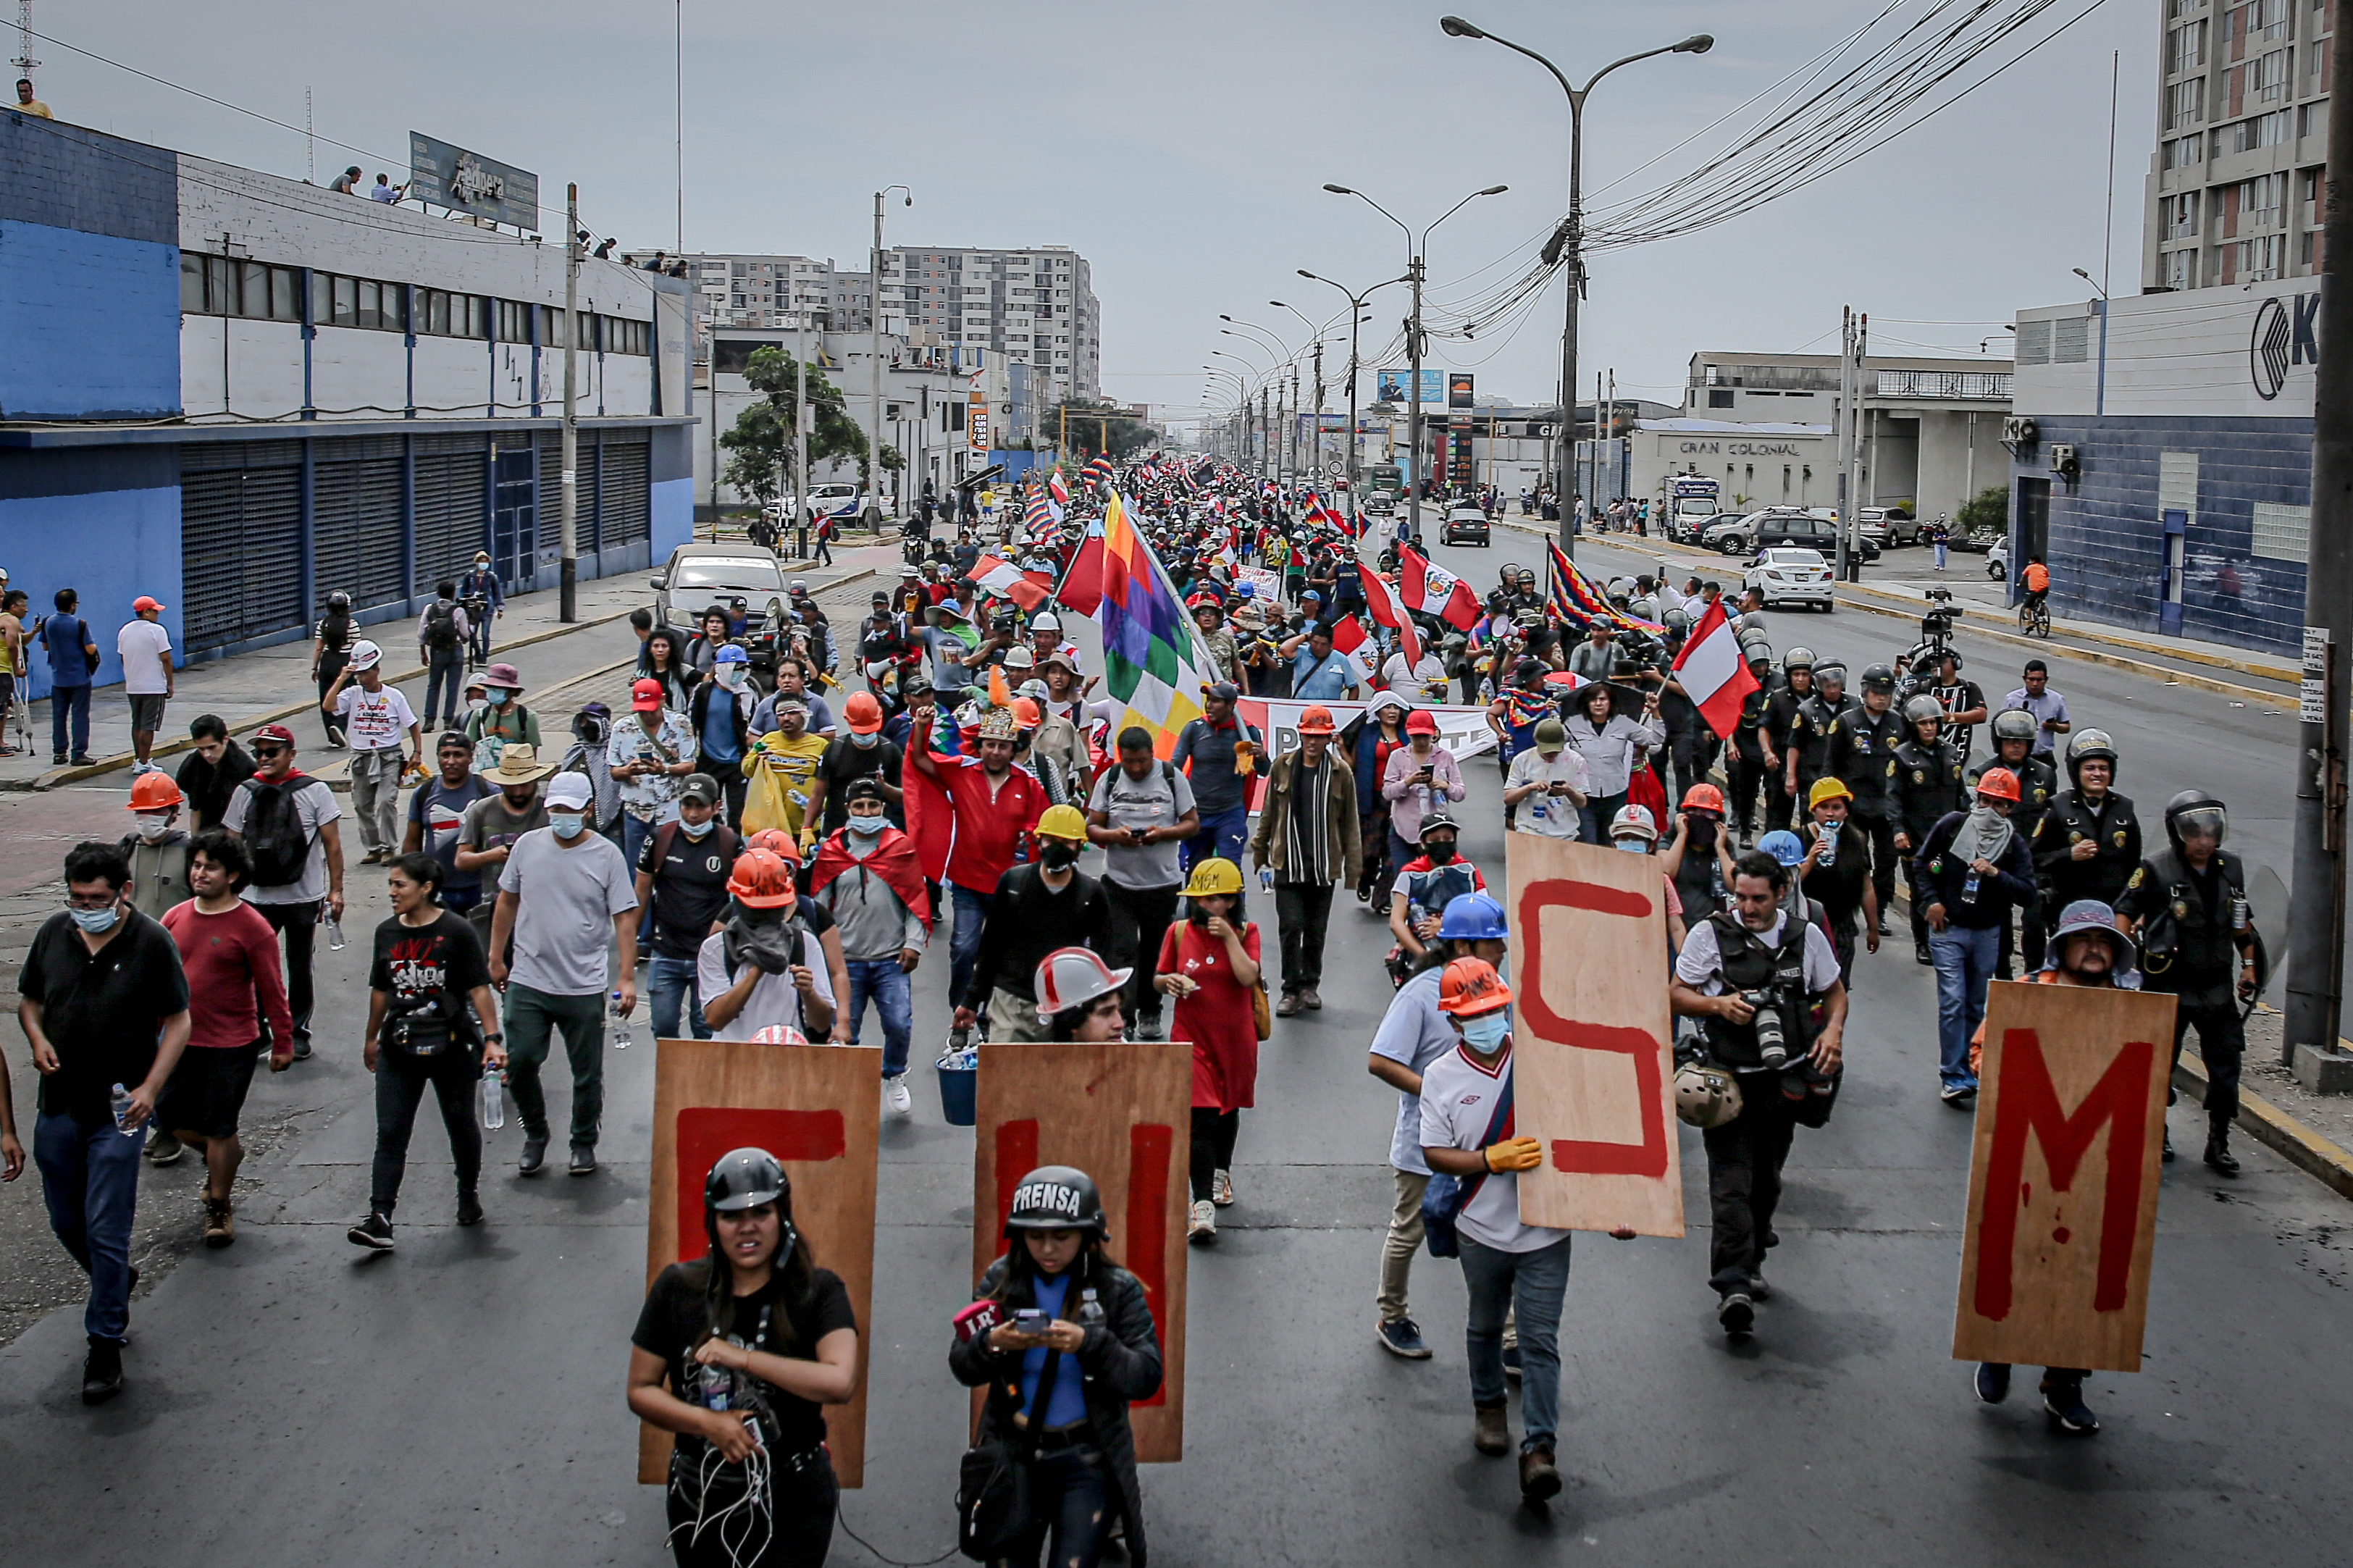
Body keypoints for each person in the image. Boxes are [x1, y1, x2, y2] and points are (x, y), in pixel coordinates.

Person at [17, 840, 193, 1404]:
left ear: (122, 892)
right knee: (66, 1219)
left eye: (96, 897)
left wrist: (151, 1086)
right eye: (76, 896)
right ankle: (113, 1279)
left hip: (119, 1111)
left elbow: (179, 1019)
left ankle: (105, 1340)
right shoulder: (53, 934)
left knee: (107, 1226)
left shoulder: (150, 941)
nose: (85, 905)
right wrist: (39, 1038)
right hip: (59, 1105)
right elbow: (29, 1002)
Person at [629, 1148, 859, 1568]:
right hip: (700, 1490)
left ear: (783, 1217)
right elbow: (640, 1390)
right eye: (731, 1216)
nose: (747, 1228)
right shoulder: (676, 1288)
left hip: (794, 1491)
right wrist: (706, 1423)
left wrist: (743, 1359)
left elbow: (840, 1382)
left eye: (762, 1213)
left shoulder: (819, 1291)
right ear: (714, 1224)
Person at [1967, 899, 2136, 1435]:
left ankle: (2064, 1383)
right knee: (2017, 1255)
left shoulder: (2130, 1006)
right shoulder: (2026, 995)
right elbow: (1980, 1053)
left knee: (2081, 1268)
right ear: (2061, 946)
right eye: (2083, 939)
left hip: (2094, 1161)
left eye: (2103, 941)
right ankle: (1997, 1347)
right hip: (2028, 1152)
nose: (2093, 949)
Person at [1670, 851, 1848, 1340]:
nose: (1746, 907)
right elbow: (1675, 992)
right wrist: (1717, 1004)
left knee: (1765, 1181)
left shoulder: (1804, 935)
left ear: (1779, 893)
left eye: (1757, 899)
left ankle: (1751, 1260)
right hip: (1725, 1081)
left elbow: (1834, 993)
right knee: (1729, 1183)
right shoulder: (1710, 934)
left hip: (1783, 1079)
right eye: (1739, 897)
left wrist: (1830, 1032)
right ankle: (1732, 1286)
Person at [949, 1165, 1163, 1568]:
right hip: (1015, 1454)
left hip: (1086, 1459)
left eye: (1061, 1237)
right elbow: (962, 1366)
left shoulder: (1117, 1288)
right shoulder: (1001, 1279)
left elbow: (1147, 1375)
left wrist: (1091, 1344)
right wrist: (993, 1344)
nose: (1048, 1250)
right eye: (1035, 1237)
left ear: (1087, 1236)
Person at [1417, 957, 1568, 1502]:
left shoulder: (1543, 1057)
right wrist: (1487, 1159)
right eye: (1474, 1015)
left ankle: (1540, 1447)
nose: (1487, 1022)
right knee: (1483, 1326)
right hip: (1479, 1230)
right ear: (1455, 1023)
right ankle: (1487, 1408)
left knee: (1538, 1342)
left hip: (1546, 1233)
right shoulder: (1440, 1077)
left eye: (1494, 1011)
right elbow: (1434, 1152)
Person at [1367, 894, 1510, 1361]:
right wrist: (1436, 1093)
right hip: (1425, 1143)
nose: (1502, 950)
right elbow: (1381, 1061)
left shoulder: (1496, 986)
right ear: (1463, 945)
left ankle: (1510, 1337)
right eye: (1493, 944)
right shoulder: (1421, 993)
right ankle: (1392, 1315)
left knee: (1500, 1230)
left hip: (1489, 1141)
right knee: (1410, 1228)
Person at [345, 852, 504, 1250]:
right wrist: (371, 1037)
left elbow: (478, 988)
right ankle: (381, 1216)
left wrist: (492, 1038)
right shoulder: (386, 933)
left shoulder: (457, 931)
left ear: (426, 888)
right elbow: (381, 990)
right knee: (391, 1130)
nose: (392, 892)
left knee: (460, 1124)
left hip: (451, 1046)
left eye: (400, 885)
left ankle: (467, 1194)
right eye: (391, 885)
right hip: (399, 1047)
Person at [487, 771, 639, 1178]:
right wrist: (496, 957)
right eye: (556, 809)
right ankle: (535, 1132)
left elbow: (624, 918)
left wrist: (625, 977)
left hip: (583, 983)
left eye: (571, 811)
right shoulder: (527, 847)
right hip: (529, 978)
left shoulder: (607, 856)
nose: (562, 817)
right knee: (519, 1062)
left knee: (586, 1072)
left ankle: (583, 1141)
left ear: (588, 812)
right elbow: (507, 902)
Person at [146, 829, 289, 1246]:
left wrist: (282, 1041)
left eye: (210, 867)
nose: (199, 873)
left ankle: (219, 1205)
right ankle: (223, 1154)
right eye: (196, 865)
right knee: (166, 1117)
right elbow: (157, 981)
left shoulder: (252, 927)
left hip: (232, 1044)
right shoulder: (175, 917)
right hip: (178, 1042)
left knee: (222, 1126)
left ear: (232, 876)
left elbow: (272, 989)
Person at [2114, 791, 2262, 1175]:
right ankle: (2157, 1131)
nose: (2203, 843)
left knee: (2227, 1065)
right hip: (2168, 985)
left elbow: (2240, 920)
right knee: (2160, 1065)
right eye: (2195, 835)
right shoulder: (2155, 869)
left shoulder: (2232, 868)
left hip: (2216, 986)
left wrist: (2249, 965)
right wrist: (2124, 955)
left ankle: (2219, 1141)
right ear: (2179, 834)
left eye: (2210, 835)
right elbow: (2124, 912)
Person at [908, 705, 1049, 1036]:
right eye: (990, 744)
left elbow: (1043, 826)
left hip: (1010, 887)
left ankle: (990, 1017)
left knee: (1003, 954)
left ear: (1013, 749)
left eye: (1003, 746)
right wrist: (921, 728)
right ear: (980, 745)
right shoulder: (960, 771)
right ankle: (962, 1011)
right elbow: (921, 760)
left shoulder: (1028, 784)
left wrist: (1031, 837)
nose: (996, 752)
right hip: (968, 883)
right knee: (963, 949)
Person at [1913, 768, 2039, 1104]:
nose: (1989, 809)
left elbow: (2028, 893)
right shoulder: (1952, 826)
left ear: (2010, 809)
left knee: (1974, 1004)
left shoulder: (2013, 844)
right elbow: (1922, 864)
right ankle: (1952, 1074)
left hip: (1987, 934)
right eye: (1984, 801)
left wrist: (1997, 874)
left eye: (1999, 804)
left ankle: (1969, 1067)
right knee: (1952, 1000)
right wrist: (1931, 902)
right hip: (1949, 930)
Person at [1154, 859, 1262, 1246]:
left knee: (1227, 1108)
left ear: (1233, 901)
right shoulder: (1178, 932)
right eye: (1202, 898)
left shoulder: (1248, 932)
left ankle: (1221, 1170)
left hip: (1234, 1039)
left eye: (1217, 898)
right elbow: (1157, 976)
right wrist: (1171, 982)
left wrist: (1230, 939)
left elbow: (1248, 976)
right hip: (1191, 1038)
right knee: (1199, 1116)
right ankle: (1201, 1204)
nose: (1209, 906)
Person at [222, 724, 345, 1060]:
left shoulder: (315, 790)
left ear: (291, 755)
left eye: (272, 751)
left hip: (303, 897)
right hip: (256, 897)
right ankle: (258, 1030)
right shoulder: (245, 791)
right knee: (254, 966)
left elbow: (333, 845)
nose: (264, 758)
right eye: (259, 752)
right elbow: (231, 843)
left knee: (300, 965)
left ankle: (297, 1031)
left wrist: (336, 891)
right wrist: (228, 891)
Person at [807, 779, 928, 1113]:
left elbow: (916, 900)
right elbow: (818, 906)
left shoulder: (901, 848)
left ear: (882, 809)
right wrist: (821, 956)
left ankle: (894, 1074)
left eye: (872, 806)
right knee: (846, 1028)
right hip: (845, 961)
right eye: (858, 807)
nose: (866, 813)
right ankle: (850, 1088)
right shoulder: (832, 850)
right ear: (847, 810)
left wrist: (914, 943)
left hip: (890, 957)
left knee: (899, 1023)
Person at [1085, 728, 1201, 1041]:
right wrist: (1115, 836)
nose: (1136, 769)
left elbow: (1192, 823)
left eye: (1142, 761)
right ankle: (1124, 1016)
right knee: (1121, 952)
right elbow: (1092, 827)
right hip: (1119, 883)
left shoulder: (1172, 777)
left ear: (1153, 753)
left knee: (1154, 952)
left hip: (1162, 884)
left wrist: (1162, 834)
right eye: (1130, 762)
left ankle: (1151, 1011)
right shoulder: (1109, 779)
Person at [960, 805, 1107, 1044]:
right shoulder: (1012, 884)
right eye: (1051, 840)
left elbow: (1103, 954)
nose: (1057, 848)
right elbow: (991, 946)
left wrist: (1096, 1010)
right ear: (1039, 841)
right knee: (1005, 1074)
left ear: (1080, 846)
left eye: (1067, 842)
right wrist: (971, 1001)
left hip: (1068, 1005)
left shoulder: (1091, 894)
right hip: (1012, 1001)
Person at [1249, 705, 1362, 1016]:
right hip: (1288, 861)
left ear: (1328, 738)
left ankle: (1310, 984)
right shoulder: (1283, 767)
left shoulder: (1341, 772)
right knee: (1291, 926)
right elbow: (1269, 811)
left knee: (1315, 929)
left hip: (1324, 864)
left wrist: (1354, 870)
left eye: (1319, 737)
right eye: (1308, 735)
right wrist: (1260, 849)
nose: (1313, 742)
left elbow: (1349, 822)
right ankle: (1290, 988)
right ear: (1300, 734)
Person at [632, 774, 740, 1042]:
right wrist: (631, 941)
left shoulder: (729, 843)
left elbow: (741, 898)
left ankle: (704, 1085)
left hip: (708, 956)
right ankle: (671, 1085)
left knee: (706, 1030)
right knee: (664, 1028)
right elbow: (641, 891)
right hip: (665, 952)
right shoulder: (660, 838)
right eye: (687, 805)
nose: (692, 814)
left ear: (716, 807)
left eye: (700, 807)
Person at [696, 848, 837, 1043]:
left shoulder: (804, 944)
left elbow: (821, 1025)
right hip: (732, 1058)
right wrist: (758, 968)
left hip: (787, 1058)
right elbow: (715, 1020)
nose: (766, 916)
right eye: (758, 909)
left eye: (772, 908)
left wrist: (809, 993)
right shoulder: (716, 948)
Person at [1968, 709, 2060, 978]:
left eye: (2021, 741)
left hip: (2034, 861)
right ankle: (2003, 975)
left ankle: (2034, 975)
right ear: (1999, 742)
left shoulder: (2044, 774)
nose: (2016, 746)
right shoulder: (1983, 774)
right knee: (2001, 927)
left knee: (2034, 924)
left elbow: (2052, 818)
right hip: (1996, 860)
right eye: (2009, 740)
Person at [320, 640, 422, 865]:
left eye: (367, 673)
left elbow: (412, 724)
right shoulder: (353, 694)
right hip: (362, 757)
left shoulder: (394, 696)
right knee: (361, 804)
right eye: (359, 674)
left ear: (377, 670)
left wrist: (417, 752)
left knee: (386, 801)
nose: (363, 678)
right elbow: (328, 706)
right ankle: (373, 848)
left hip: (388, 757)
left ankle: (389, 848)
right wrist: (341, 679)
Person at [1822, 663, 1904, 936]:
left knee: (1886, 863)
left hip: (1887, 806)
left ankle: (1878, 912)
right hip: (1854, 804)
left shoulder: (1898, 724)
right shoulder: (1846, 722)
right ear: (1865, 691)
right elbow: (1830, 767)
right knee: (1855, 860)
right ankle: (1849, 911)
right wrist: (1830, 805)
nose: (1881, 697)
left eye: (1886, 691)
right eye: (1876, 691)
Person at [2036, 729, 2141, 921]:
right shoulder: (2058, 808)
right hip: (2069, 907)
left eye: (2103, 768)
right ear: (2077, 771)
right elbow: (2035, 859)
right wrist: (2069, 855)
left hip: (2113, 908)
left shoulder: (2124, 809)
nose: (2097, 774)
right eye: (2090, 768)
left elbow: (2134, 864)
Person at [1892, 698, 1964, 965]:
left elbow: (1961, 796)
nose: (1930, 728)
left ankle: (1946, 938)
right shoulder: (1901, 756)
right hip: (1917, 837)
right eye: (1923, 723)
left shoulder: (1951, 753)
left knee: (1950, 888)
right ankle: (1922, 942)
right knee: (1920, 891)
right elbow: (1894, 798)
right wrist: (1898, 830)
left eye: (1933, 722)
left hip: (1948, 837)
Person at [611, 676, 700, 881]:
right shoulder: (622, 728)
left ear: (662, 700)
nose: (647, 715)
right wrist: (628, 770)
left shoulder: (680, 724)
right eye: (642, 710)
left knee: (672, 871)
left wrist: (665, 770)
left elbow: (690, 766)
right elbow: (614, 772)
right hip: (636, 812)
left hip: (670, 811)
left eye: (651, 709)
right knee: (637, 873)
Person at [404, 731, 500, 916]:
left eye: (458, 755)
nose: (451, 761)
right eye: (445, 755)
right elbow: (412, 843)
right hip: (439, 892)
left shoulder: (488, 791)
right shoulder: (423, 794)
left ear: (470, 758)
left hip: (481, 889)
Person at [1169, 683, 1262, 875]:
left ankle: (1236, 906)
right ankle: (1194, 907)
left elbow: (1264, 770)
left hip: (1230, 814)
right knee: (1195, 872)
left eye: (1216, 701)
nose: (1209, 705)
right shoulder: (1194, 728)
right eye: (1208, 700)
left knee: (1229, 873)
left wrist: (1261, 756)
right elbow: (1175, 765)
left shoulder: (1247, 732)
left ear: (1231, 705)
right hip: (1197, 814)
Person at [1795, 779, 1878, 985]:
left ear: (1846, 811)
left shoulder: (1857, 840)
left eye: (1837, 807)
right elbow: (1786, 885)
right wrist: (1810, 860)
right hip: (1806, 925)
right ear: (1813, 810)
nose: (1830, 814)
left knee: (1837, 986)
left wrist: (1873, 928)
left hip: (1841, 927)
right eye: (1824, 807)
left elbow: (1866, 886)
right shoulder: (1798, 839)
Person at [1564, 680, 1664, 845]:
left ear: (1610, 703)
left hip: (1615, 794)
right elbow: (1551, 741)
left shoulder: (1623, 723)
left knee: (1609, 843)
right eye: (1593, 700)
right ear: (1587, 703)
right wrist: (1549, 714)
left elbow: (1655, 738)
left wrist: (1655, 711)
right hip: (1584, 796)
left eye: (1603, 699)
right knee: (1588, 842)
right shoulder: (1573, 724)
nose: (1598, 704)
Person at [1388, 813, 1486, 970]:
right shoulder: (1409, 873)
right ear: (1424, 843)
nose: (1442, 843)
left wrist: (1445, 926)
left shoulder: (1469, 872)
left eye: (1447, 839)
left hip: (1461, 955)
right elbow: (1396, 922)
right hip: (1419, 952)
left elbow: (1483, 914)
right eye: (1435, 840)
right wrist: (1424, 957)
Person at [1381, 710, 1467, 874]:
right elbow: (1387, 793)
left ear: (1433, 735)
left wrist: (1445, 785)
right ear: (1408, 735)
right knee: (1404, 879)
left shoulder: (1445, 757)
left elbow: (1460, 793)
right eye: (1416, 736)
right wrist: (1408, 782)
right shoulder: (1398, 757)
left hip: (1437, 835)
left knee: (1437, 880)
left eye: (1424, 736)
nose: (1420, 741)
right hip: (1404, 831)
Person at [809, 691, 902, 839]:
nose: (864, 736)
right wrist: (807, 829)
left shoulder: (890, 751)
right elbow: (818, 793)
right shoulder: (834, 750)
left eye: (868, 732)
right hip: (838, 833)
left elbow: (905, 796)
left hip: (880, 834)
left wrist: (885, 789)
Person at [687, 644, 758, 828]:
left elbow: (754, 725)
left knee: (737, 812)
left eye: (742, 668)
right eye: (734, 668)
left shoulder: (747, 694)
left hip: (737, 762)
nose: (738, 673)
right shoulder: (703, 692)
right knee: (708, 810)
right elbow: (690, 723)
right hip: (709, 760)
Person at [118, 770, 194, 921]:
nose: (147, 817)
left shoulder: (190, 851)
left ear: (174, 811)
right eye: (141, 811)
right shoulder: (126, 848)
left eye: (156, 811)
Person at [1502, 716, 1589, 840]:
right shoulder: (1522, 760)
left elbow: (1582, 802)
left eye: (1555, 751)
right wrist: (1530, 787)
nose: (1551, 755)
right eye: (1546, 751)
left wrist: (1568, 791)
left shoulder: (1577, 761)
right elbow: (1508, 799)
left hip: (1565, 834)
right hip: (1529, 830)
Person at [41, 586, 97, 765]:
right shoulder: (79, 624)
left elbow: (45, 646)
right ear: (73, 605)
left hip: (58, 676)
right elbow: (90, 648)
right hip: (80, 676)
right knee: (80, 715)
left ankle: (59, 752)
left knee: (59, 715)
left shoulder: (48, 622)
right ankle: (78, 752)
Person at [117, 595, 174, 768]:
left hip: (133, 685)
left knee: (137, 723)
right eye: (155, 611)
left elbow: (122, 657)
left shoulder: (124, 630)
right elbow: (166, 659)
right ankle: (144, 762)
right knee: (148, 726)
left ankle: (138, 759)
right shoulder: (157, 630)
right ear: (146, 612)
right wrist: (169, 683)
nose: (157, 615)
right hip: (153, 686)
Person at [175, 714, 256, 831]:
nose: (207, 754)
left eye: (212, 747)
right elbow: (195, 806)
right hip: (206, 827)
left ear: (225, 740)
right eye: (201, 749)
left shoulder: (245, 767)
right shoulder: (193, 763)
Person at [416, 580, 471, 727]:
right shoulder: (458, 611)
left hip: (436, 651)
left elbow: (421, 632)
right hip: (454, 650)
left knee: (433, 685)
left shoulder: (430, 609)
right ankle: (448, 720)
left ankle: (429, 720)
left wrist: (423, 652)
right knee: (452, 686)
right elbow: (466, 633)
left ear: (438, 593)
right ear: (453, 593)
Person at [464, 661, 542, 760]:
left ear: (512, 692)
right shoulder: (480, 715)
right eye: (490, 688)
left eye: (498, 689)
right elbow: (470, 747)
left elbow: (532, 752)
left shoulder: (527, 717)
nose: (492, 692)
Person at [311, 591, 359, 746]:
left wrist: (314, 668)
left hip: (327, 662)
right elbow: (356, 647)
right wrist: (357, 667)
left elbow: (319, 648)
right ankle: (339, 725)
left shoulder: (323, 624)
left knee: (326, 697)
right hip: (345, 662)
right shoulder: (352, 625)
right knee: (348, 696)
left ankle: (331, 733)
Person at [1926, 651, 1987, 766]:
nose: (1936, 665)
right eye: (1933, 662)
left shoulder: (1968, 689)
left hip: (1960, 759)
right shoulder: (1923, 687)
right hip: (1927, 760)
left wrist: (1951, 717)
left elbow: (1981, 714)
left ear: (1956, 664)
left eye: (1941, 662)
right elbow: (1907, 713)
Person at [2002, 660, 2071, 761]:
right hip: (2018, 757)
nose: (2035, 684)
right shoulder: (2012, 699)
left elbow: (2066, 727)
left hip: (2044, 757)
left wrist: (2055, 727)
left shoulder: (2057, 699)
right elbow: (2000, 726)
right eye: (2031, 679)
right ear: (2024, 679)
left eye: (2039, 680)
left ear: (2046, 680)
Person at [1288, 621, 1360, 703]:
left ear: (1331, 644)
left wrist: (1348, 708)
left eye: (1323, 644)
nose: (1318, 647)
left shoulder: (1341, 659)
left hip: (1329, 710)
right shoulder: (1301, 652)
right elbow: (1284, 649)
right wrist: (1304, 636)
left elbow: (1353, 687)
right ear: (1310, 640)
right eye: (1315, 642)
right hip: (1301, 707)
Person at [458, 552, 504, 667]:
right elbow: (463, 591)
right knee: (471, 633)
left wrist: (500, 608)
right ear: (476, 562)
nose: (483, 563)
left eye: (485, 561)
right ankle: (477, 652)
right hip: (473, 609)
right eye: (481, 561)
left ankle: (484, 656)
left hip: (487, 609)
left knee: (485, 634)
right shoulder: (469, 576)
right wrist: (461, 603)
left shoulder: (492, 577)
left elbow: (497, 593)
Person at [0, 586, 28, 757]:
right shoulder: (11, 621)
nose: (26, 609)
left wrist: (33, 631)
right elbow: (12, 645)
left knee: (4, 706)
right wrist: (16, 668)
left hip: (4, 670)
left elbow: (21, 640)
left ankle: (1, 741)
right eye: (23, 605)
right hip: (3, 669)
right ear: (13, 607)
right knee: (1, 707)